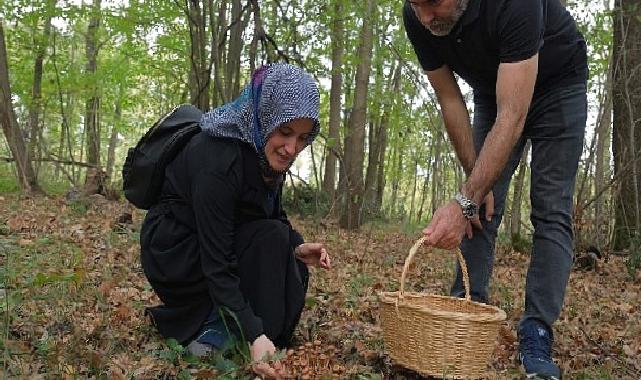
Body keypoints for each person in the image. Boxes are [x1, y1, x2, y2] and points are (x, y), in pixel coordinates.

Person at [403, 0, 587, 378]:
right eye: (416, 5)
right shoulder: (416, 14)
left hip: (558, 83)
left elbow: (513, 114)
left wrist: (463, 200)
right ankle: (467, 311)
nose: (424, 17)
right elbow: (451, 100)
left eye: (433, 3)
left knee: (551, 209)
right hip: (493, 87)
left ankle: (536, 332)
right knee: (480, 206)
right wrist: (474, 187)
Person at [139, 63, 331, 379]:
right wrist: (255, 335)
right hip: (176, 251)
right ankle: (219, 327)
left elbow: (271, 215)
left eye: (301, 138)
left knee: (278, 238)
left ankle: (253, 333)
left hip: (217, 237)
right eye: (285, 132)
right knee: (270, 240)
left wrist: (296, 247)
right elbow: (218, 262)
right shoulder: (218, 158)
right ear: (264, 115)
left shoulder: (265, 154)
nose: (291, 148)